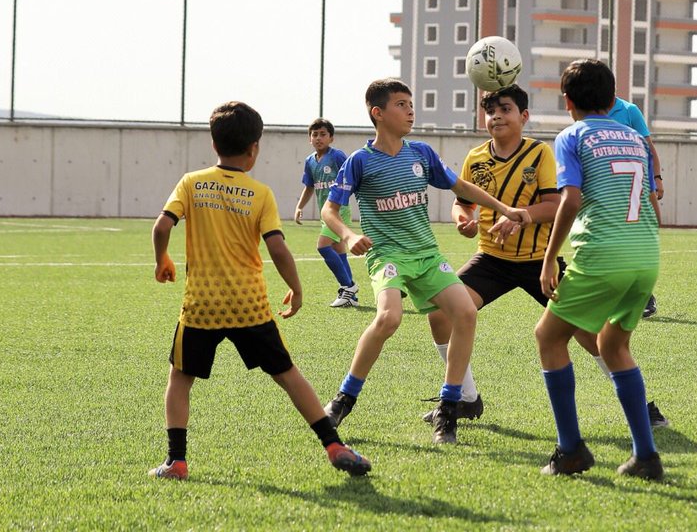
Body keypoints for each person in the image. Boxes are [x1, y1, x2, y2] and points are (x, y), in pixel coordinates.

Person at [423, 84, 668, 429]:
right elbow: (462, 202)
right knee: (440, 313)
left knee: (589, 334)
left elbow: (556, 206)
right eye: (491, 111)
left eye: (505, 109)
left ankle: (642, 407)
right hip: (491, 260)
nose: (496, 117)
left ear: (524, 116)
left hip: (540, 262)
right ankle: (466, 399)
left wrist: (519, 215)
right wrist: (463, 219)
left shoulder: (540, 154)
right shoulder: (476, 157)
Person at [149, 101, 371, 479]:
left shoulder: (190, 182)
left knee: (179, 380)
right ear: (254, 148)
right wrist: (296, 289)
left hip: (201, 307)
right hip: (249, 306)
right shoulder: (260, 193)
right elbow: (277, 247)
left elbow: (162, 226)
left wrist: (162, 260)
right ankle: (333, 445)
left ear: (214, 142)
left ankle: (177, 461)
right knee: (287, 374)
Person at [319, 78, 525, 445]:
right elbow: (330, 209)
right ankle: (343, 399)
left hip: (427, 255)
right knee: (389, 318)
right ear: (377, 113)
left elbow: (459, 187)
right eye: (401, 104)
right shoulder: (360, 162)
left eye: (411, 103)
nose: (410, 110)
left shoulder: (422, 153)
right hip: (388, 256)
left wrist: (502, 207)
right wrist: (348, 236)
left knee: (465, 313)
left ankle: (449, 408)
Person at [535, 60, 663, 480]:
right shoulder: (633, 136)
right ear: (612, 99)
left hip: (603, 256)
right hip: (645, 255)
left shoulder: (571, 135)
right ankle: (645, 456)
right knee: (613, 346)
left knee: (549, 336)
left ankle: (570, 450)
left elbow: (570, 200)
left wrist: (550, 256)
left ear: (567, 101)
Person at [293, 118, 359, 308]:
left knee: (322, 246)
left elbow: (352, 176)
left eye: (323, 134)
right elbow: (309, 186)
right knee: (339, 251)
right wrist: (299, 206)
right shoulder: (309, 161)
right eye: (315, 135)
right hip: (325, 213)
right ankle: (350, 296)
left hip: (339, 210)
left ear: (331, 138)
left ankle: (349, 286)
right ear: (309, 139)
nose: (318, 138)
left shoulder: (337, 156)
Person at [609, 95, 663, 319]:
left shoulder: (629, 110)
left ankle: (644, 295)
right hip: (606, 186)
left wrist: (657, 178)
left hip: (632, 185)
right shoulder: (589, 113)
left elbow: (648, 149)